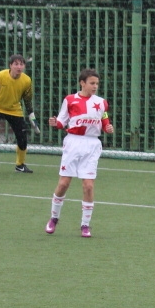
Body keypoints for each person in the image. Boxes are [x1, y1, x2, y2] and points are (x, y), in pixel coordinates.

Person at [44, 69, 114, 239]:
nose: (95, 86)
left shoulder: (102, 103)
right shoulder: (70, 100)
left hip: (92, 145)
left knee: (88, 186)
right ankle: (54, 218)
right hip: (73, 143)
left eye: (97, 83)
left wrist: (108, 128)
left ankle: (85, 225)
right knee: (63, 184)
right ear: (82, 83)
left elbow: (105, 121)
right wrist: (55, 123)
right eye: (92, 83)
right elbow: (61, 121)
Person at [0, 54, 40, 174]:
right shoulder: (1, 76)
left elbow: (27, 101)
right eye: (16, 64)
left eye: (21, 64)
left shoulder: (26, 80)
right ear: (10, 66)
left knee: (22, 136)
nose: (19, 67)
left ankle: (20, 165)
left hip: (14, 109)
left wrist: (32, 118)